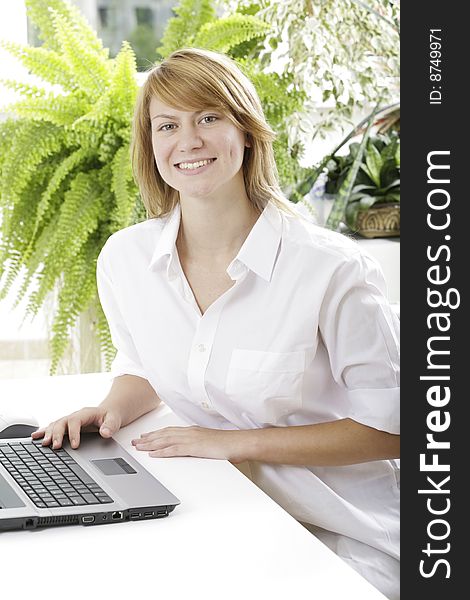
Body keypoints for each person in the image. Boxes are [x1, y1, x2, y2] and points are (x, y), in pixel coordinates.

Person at [32, 48, 400, 599]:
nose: (190, 141)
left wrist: (232, 443)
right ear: (150, 143)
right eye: (167, 125)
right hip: (215, 506)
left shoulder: (331, 270)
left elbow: (390, 431)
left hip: (341, 530)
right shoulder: (125, 259)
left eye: (208, 117)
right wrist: (109, 410)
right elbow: (147, 367)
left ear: (247, 132)